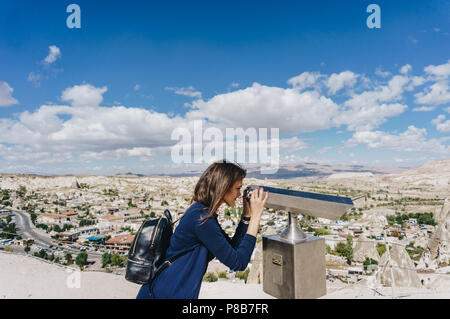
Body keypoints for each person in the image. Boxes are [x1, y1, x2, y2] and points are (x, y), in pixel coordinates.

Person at [136, 160, 268, 299]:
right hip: (166, 292)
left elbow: (233, 249)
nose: (238, 194)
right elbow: (238, 263)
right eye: (237, 188)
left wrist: (246, 215)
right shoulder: (201, 219)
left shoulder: (203, 214)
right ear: (224, 187)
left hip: (170, 288)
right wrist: (256, 216)